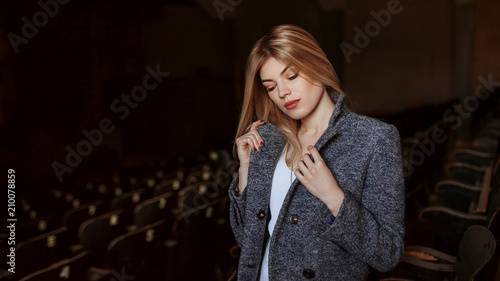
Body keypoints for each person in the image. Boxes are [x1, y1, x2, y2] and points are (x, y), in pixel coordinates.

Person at [229, 24, 405, 281]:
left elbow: (388, 253)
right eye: (270, 86)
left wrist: (333, 197)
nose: (282, 93)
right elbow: (247, 240)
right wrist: (246, 169)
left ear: (318, 66)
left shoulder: (374, 139)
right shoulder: (268, 140)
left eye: (291, 76)